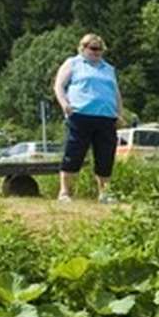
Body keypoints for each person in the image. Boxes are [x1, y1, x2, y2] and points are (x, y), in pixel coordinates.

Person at [53, 32, 122, 203]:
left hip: (106, 117)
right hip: (80, 115)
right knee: (73, 153)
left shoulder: (108, 68)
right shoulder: (73, 63)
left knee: (105, 155)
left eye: (100, 49)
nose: (97, 52)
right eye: (93, 48)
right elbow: (59, 85)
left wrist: (119, 113)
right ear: (83, 48)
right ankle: (65, 192)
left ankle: (105, 193)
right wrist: (64, 105)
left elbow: (116, 93)